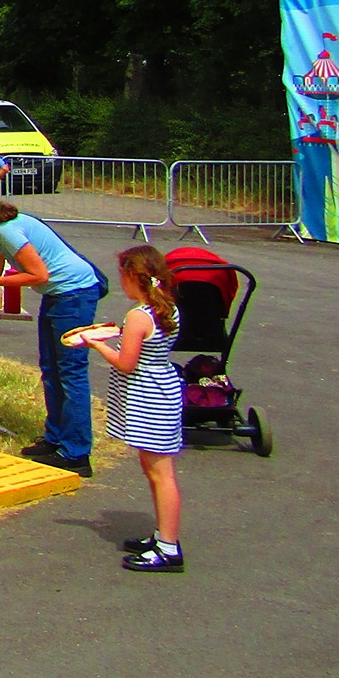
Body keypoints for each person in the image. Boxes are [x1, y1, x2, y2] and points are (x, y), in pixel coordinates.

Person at [0, 183, 106, 475]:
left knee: (71, 373)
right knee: (51, 370)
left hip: (75, 293)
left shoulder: (7, 230)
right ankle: (55, 439)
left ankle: (77, 453)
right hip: (57, 295)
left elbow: (37, 273)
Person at [83, 245, 187, 572]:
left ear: (133, 277)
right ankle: (162, 535)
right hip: (163, 390)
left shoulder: (138, 316)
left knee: (161, 473)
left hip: (148, 396)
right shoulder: (167, 308)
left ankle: (169, 547)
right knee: (155, 469)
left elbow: (126, 362)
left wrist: (97, 343)